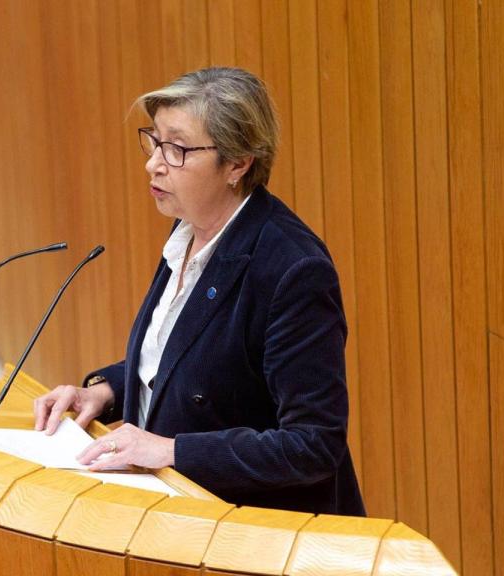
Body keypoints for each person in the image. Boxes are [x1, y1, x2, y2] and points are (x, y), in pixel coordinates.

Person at [33, 67, 365, 516]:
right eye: (154, 141)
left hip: (253, 530)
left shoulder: (292, 269)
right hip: (178, 511)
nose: (154, 162)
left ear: (237, 164)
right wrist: (106, 390)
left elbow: (313, 444)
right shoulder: (190, 228)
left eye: (177, 148)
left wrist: (172, 451)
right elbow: (192, 357)